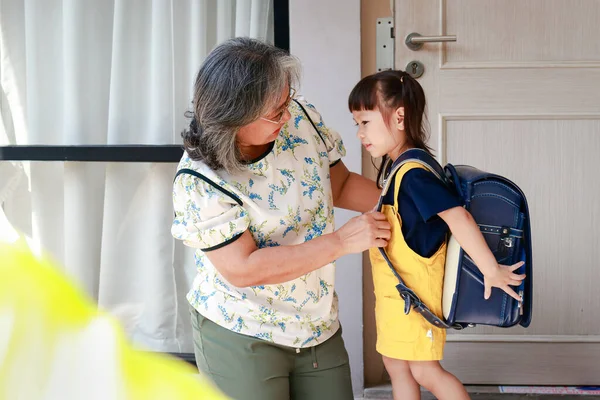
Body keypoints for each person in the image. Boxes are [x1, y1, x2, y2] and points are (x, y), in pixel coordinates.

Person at [171, 37, 390, 400]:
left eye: (287, 100)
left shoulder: (300, 118)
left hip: (316, 324)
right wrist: (343, 242)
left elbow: (342, 184)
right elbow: (245, 268)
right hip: (241, 330)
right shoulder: (199, 181)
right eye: (276, 111)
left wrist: (409, 203)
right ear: (234, 116)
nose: (288, 115)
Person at [348, 70, 526, 400]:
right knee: (395, 363)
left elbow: (458, 217)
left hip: (414, 296)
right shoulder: (397, 168)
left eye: (365, 122)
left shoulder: (414, 174)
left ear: (398, 117)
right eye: (357, 123)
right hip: (397, 295)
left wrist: (489, 268)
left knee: (424, 370)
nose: (359, 133)